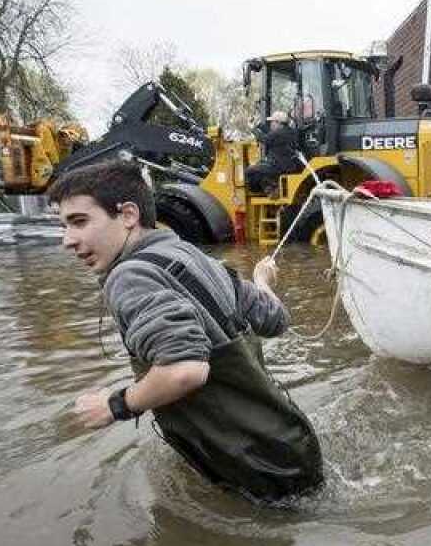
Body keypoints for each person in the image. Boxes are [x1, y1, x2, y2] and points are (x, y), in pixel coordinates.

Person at [49, 160, 323, 503]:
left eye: (79, 222)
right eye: (64, 226)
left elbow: (185, 371)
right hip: (292, 445)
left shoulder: (128, 276)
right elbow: (275, 320)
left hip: (253, 471)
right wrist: (262, 283)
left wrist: (115, 405)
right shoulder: (196, 257)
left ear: (128, 215)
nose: (67, 241)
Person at [245, 110, 303, 196]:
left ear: (278, 123)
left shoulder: (279, 133)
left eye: (272, 122)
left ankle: (270, 190)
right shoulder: (289, 131)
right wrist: (258, 124)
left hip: (279, 166)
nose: (271, 124)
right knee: (260, 166)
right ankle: (271, 188)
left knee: (249, 171)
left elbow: (264, 139)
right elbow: (270, 133)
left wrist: (252, 129)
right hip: (290, 165)